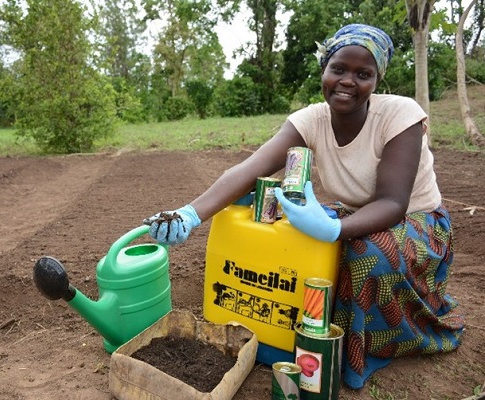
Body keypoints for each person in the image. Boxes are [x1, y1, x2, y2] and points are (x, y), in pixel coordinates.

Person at [145, 23, 464, 389]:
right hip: (359, 212)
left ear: (377, 81)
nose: (347, 81)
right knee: (302, 241)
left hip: (418, 220)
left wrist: (336, 229)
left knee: (362, 253)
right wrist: (190, 214)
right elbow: (251, 168)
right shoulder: (311, 119)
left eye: (363, 74)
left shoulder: (399, 115)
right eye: (339, 69)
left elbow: (393, 203)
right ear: (324, 70)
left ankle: (367, 349)